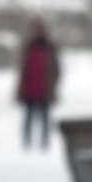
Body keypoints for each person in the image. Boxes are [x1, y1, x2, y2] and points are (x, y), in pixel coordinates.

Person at [16, 18, 60, 151]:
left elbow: (56, 69)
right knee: (28, 118)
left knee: (45, 119)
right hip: (30, 89)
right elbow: (23, 70)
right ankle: (26, 142)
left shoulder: (50, 47)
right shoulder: (28, 46)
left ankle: (44, 142)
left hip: (44, 89)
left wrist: (53, 85)